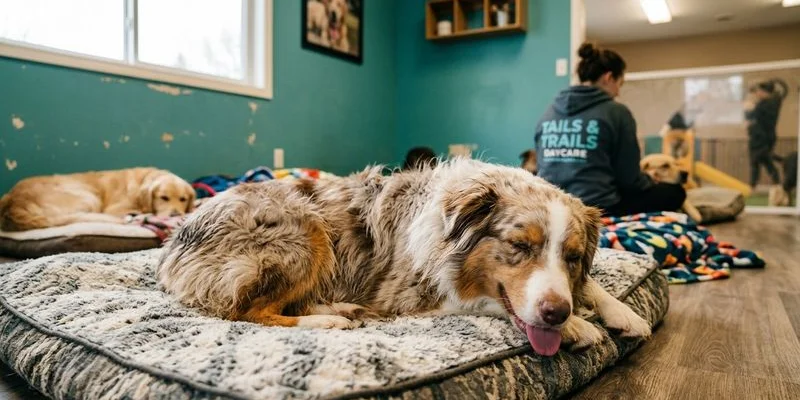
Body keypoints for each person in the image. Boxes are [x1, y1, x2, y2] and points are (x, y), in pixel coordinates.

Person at [534, 42, 686, 216]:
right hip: (599, 208)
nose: (618, 93)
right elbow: (629, 180)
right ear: (608, 77)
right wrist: (649, 180)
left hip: (551, 205)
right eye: (619, 84)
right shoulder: (617, 112)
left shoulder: (548, 112)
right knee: (676, 192)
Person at [745, 78, 788, 188]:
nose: (757, 93)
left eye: (759, 91)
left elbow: (749, 116)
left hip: (760, 138)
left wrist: (749, 107)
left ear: (764, 92)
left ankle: (753, 186)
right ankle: (776, 176)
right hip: (768, 137)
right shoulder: (775, 100)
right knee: (764, 160)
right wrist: (773, 81)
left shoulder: (762, 105)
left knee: (758, 161)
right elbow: (784, 90)